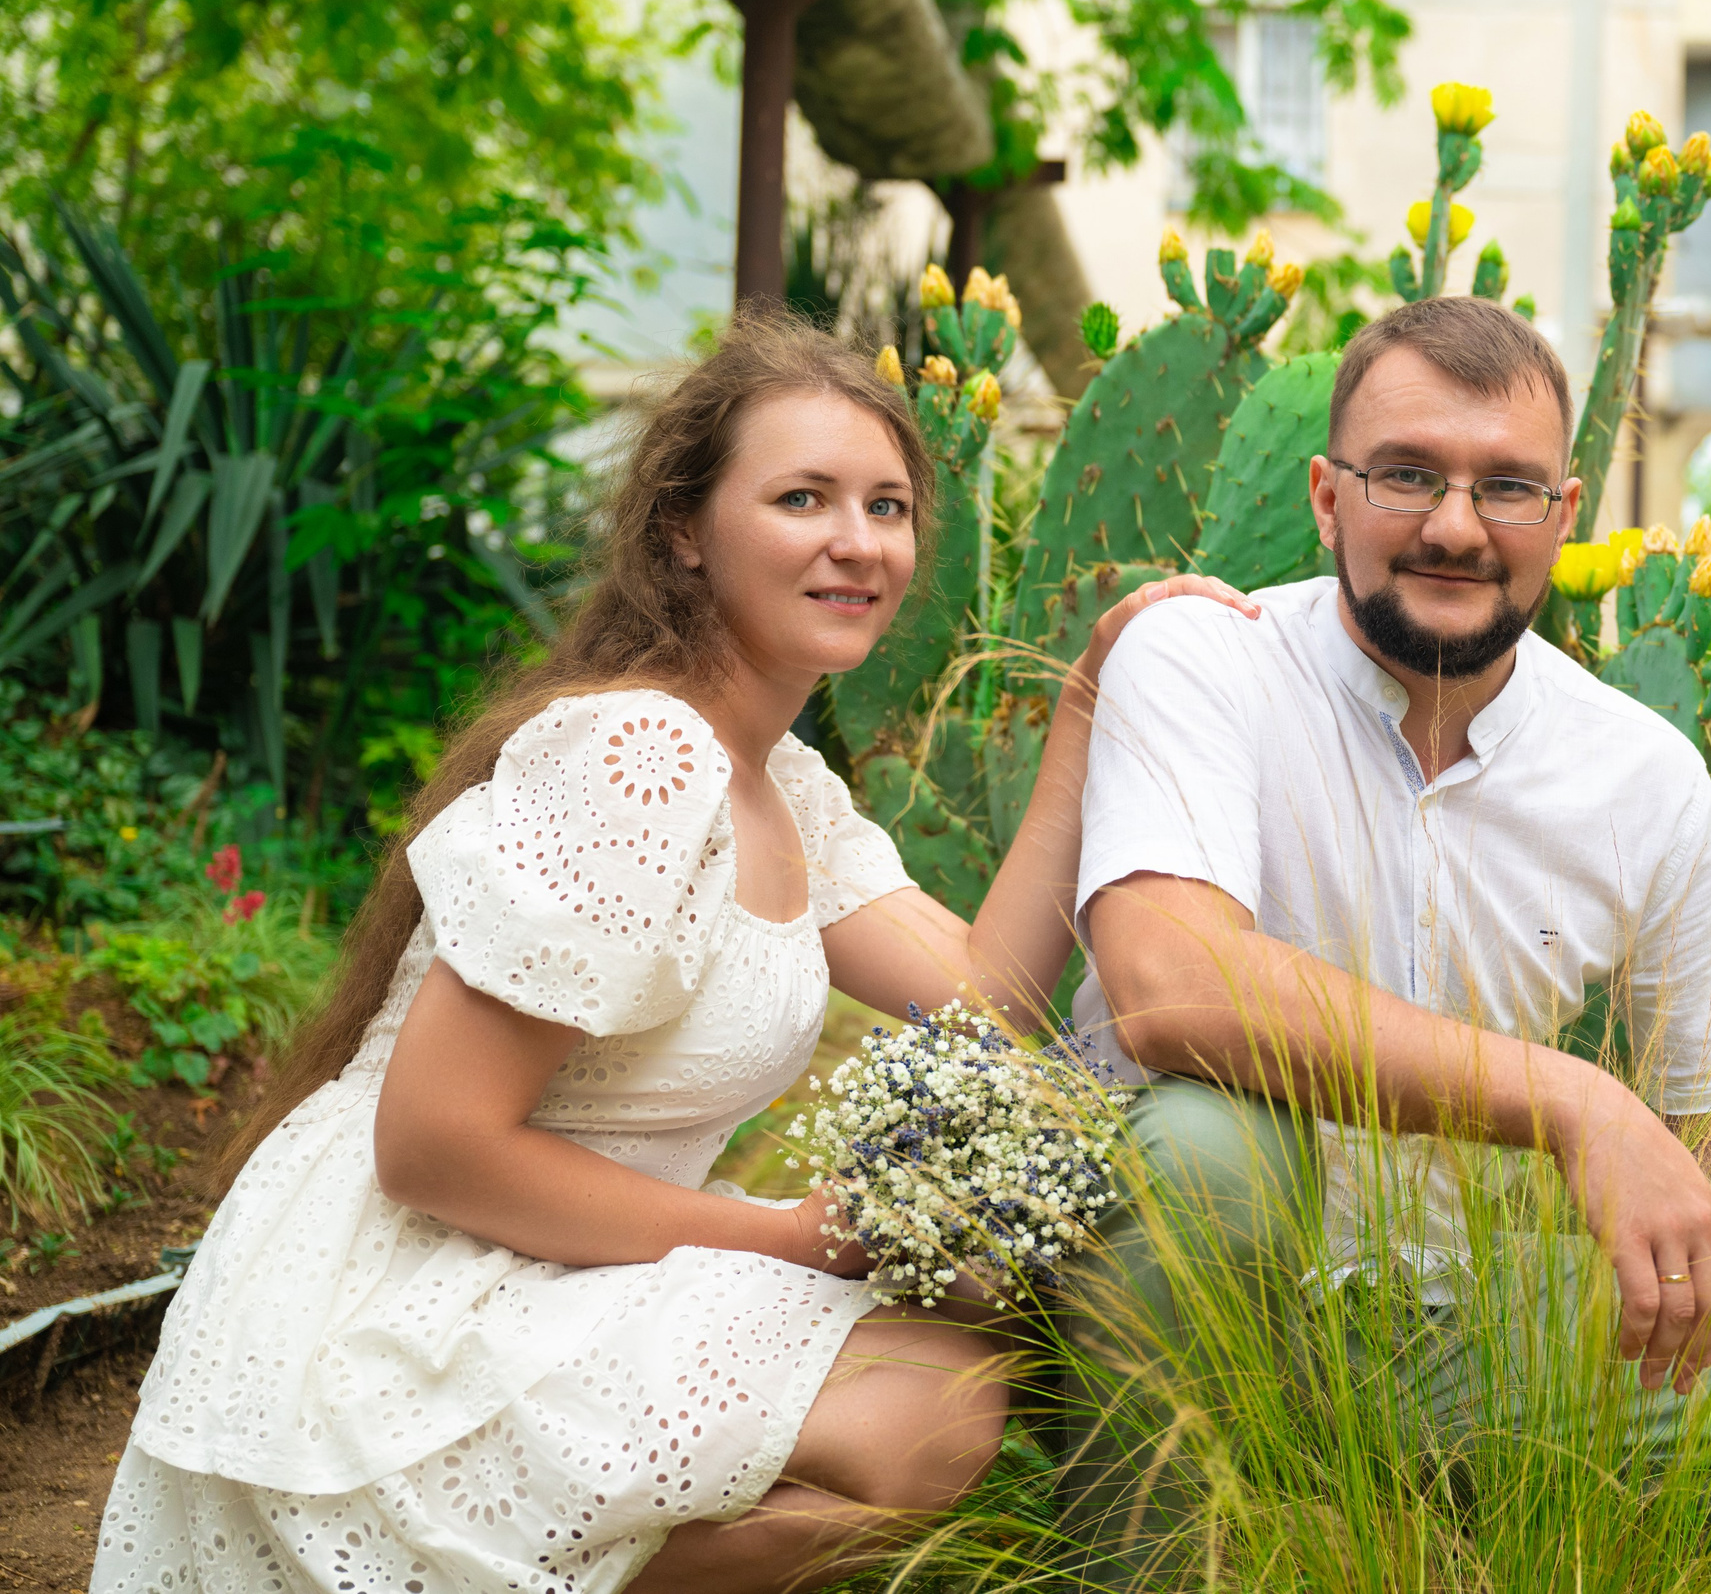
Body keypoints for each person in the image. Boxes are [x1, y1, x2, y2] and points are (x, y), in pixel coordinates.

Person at [90, 311, 1256, 1594]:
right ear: (683, 532)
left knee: (966, 1363)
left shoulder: (785, 788)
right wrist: (788, 1238)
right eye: (801, 498)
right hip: (405, 1295)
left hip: (567, 1260)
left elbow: (989, 994)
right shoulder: (640, 761)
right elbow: (431, 1146)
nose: (855, 542)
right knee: (926, 1408)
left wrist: (1086, 712)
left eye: (885, 506)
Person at [1038, 295, 1711, 1584]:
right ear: (1324, 496)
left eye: (1507, 488)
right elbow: (1168, 983)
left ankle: (1428, 1531)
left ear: (1563, 519)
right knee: (1207, 1145)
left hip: (1450, 1328)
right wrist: (1575, 1103)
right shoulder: (1204, 661)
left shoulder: (1637, 772)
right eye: (1409, 475)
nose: (1458, 528)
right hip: (1185, 1309)